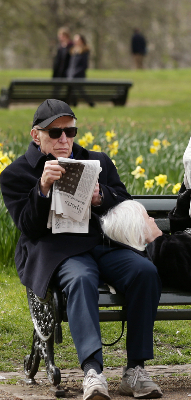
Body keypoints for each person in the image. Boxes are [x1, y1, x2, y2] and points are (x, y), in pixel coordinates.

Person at [0, 99, 163, 400]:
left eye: (70, 131)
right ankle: (93, 371)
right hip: (59, 252)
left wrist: (103, 197)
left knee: (144, 271)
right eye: (55, 132)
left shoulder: (96, 160)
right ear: (36, 136)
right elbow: (28, 227)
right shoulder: (16, 174)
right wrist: (42, 190)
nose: (64, 139)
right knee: (80, 278)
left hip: (102, 245)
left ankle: (135, 370)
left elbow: (124, 199)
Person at [67, 34, 94, 107]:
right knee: (73, 91)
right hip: (71, 75)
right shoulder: (73, 51)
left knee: (80, 91)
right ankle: (74, 104)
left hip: (79, 75)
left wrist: (75, 73)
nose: (75, 42)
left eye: (77, 40)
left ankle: (90, 103)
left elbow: (84, 65)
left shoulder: (84, 51)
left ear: (82, 41)